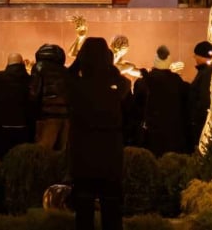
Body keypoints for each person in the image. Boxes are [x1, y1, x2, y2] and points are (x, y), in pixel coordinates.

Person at [66, 37, 130, 230]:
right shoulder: (118, 87)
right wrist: (110, 67)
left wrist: (80, 60)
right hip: (110, 154)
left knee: (83, 211)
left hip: (83, 154)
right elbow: (124, 87)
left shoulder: (76, 86)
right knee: (111, 209)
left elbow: (66, 74)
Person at [136, 45, 189, 156]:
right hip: (173, 133)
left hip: (151, 133)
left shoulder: (144, 81)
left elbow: (137, 106)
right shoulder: (176, 81)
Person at [0, 52, 33, 156]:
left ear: (7, 64)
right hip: (24, 125)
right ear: (22, 64)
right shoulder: (29, 78)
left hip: (3, 125)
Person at [29, 43, 71, 150]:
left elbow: (34, 93)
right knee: (62, 153)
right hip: (65, 117)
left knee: (44, 152)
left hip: (47, 116)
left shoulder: (39, 67)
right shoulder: (65, 71)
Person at [187, 40, 212, 151]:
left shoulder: (207, 72)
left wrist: (195, 117)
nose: (194, 57)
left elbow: (204, 98)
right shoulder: (207, 71)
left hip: (201, 123)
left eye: (196, 55)